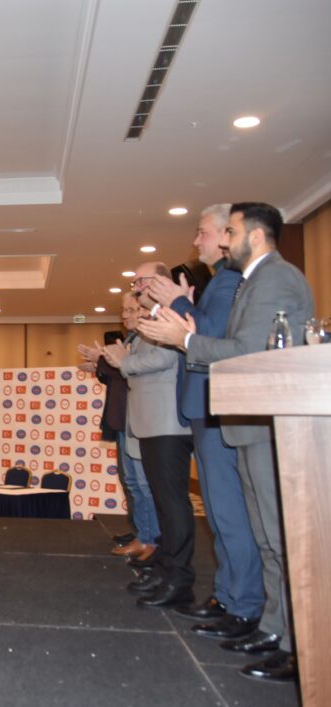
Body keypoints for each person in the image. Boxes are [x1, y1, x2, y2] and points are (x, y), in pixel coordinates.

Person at [140, 201, 314, 682]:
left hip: (266, 421)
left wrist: (184, 339)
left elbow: (246, 352)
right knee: (267, 537)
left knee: (277, 538)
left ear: (254, 236)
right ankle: (275, 630)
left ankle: (296, 644)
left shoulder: (274, 278)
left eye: (228, 232)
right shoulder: (252, 281)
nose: (219, 241)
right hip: (250, 421)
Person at [145, 204, 264, 638]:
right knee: (218, 514)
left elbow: (213, 336)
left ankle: (243, 604)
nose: (196, 241)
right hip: (206, 408)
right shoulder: (220, 282)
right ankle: (228, 597)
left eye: (203, 232)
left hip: (218, 407)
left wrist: (177, 303)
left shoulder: (231, 281)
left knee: (229, 514)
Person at [104, 262, 194, 610]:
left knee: (170, 502)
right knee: (159, 500)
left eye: (139, 281)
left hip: (166, 421)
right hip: (150, 421)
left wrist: (123, 362)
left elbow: (165, 359)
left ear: (158, 282)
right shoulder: (153, 319)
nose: (135, 286)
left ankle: (177, 577)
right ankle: (165, 568)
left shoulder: (169, 315)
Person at [79, 294, 159, 561]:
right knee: (133, 483)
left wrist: (102, 361)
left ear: (145, 311)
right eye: (123, 310)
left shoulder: (148, 340)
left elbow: (133, 372)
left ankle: (151, 540)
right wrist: (99, 365)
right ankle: (142, 535)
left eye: (131, 310)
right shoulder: (131, 339)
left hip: (141, 419)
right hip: (126, 418)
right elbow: (121, 375)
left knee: (144, 484)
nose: (125, 315)